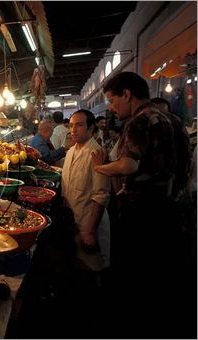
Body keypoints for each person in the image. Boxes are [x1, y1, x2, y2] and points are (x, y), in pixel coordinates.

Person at [91, 71, 192, 338]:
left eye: (113, 100)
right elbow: (185, 167)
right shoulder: (174, 120)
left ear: (127, 94)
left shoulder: (138, 121)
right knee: (163, 278)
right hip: (172, 211)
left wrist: (100, 167)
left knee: (136, 279)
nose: (111, 108)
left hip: (142, 213)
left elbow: (128, 164)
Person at [62, 109, 111, 273]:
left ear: (91, 128)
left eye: (79, 125)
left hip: (88, 224)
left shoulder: (97, 153)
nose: (73, 129)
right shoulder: (70, 152)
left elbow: (101, 195)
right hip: (72, 222)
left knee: (91, 269)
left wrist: (90, 231)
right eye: (71, 125)